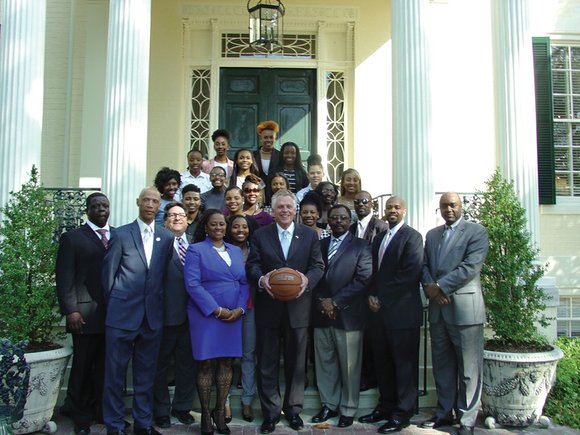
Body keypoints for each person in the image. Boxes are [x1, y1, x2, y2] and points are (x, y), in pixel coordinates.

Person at [247, 190, 325, 434]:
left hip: (298, 309)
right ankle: (270, 414)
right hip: (268, 309)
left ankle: (293, 411)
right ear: (272, 210)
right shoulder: (261, 235)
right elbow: (252, 265)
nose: (284, 211)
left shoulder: (309, 236)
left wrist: (306, 280)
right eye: (279, 207)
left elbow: (318, 266)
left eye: (288, 207)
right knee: (267, 363)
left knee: (297, 364)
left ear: (295, 210)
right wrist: (261, 280)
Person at [101, 187, 174, 435]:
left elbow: (161, 277)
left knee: (146, 375)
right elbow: (108, 277)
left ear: (159, 206)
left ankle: (143, 424)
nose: (150, 204)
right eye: (146, 200)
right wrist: (114, 307)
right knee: (115, 375)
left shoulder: (166, 238)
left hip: (151, 318)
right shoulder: (120, 235)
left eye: (155, 201)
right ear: (137, 202)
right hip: (121, 316)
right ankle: (114, 424)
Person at [420, 192, 489, 435]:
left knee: (469, 369)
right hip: (439, 309)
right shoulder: (432, 234)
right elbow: (425, 265)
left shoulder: (476, 232)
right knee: (442, 365)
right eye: (444, 206)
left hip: (465, 311)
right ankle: (443, 412)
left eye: (453, 205)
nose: (448, 209)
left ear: (461, 206)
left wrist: (439, 287)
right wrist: (432, 290)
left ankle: (467, 420)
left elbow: (470, 267)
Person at [360, 196, 423, 433]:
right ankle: (385, 407)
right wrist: (370, 295)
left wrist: (381, 298)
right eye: (389, 208)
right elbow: (373, 272)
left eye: (397, 207)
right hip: (378, 314)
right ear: (383, 211)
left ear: (404, 211)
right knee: (383, 363)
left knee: (403, 366)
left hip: (402, 314)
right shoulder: (379, 239)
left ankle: (403, 412)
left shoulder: (413, 237)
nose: (392, 211)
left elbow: (410, 274)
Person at [184, 209, 249, 435]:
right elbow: (192, 284)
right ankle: (204, 413)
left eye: (222, 224)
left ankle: (220, 411)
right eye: (214, 224)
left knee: (226, 363)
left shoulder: (234, 250)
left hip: (233, 316)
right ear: (206, 227)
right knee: (205, 363)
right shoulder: (196, 250)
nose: (219, 228)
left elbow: (243, 282)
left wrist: (240, 309)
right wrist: (216, 310)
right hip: (206, 316)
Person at [310, 204, 372, 428]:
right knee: (325, 363)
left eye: (343, 218)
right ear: (328, 221)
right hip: (321, 314)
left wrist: (335, 302)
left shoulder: (362, 246)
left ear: (349, 221)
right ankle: (329, 404)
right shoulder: (319, 245)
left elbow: (363, 279)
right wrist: (321, 302)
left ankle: (348, 408)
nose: (338, 221)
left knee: (349, 366)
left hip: (348, 315)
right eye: (334, 218)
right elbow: (313, 275)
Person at [56, 193, 110, 435]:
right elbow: (64, 277)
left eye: (104, 205)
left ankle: (101, 411)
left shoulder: (116, 236)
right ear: (87, 210)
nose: (101, 209)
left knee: (104, 368)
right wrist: (71, 311)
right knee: (82, 367)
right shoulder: (73, 238)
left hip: (111, 316)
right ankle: (80, 416)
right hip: (84, 315)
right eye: (95, 206)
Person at [153, 203, 196, 428]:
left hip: (193, 317)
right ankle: (160, 409)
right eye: (172, 215)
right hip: (164, 316)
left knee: (186, 365)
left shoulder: (197, 245)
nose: (177, 218)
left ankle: (182, 407)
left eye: (181, 215)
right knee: (161, 366)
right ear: (165, 220)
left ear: (188, 220)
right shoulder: (156, 244)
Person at [348, 190, 388, 392]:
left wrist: (376, 292)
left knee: (373, 338)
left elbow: (383, 262)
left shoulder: (381, 227)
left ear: (372, 203)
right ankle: (361, 375)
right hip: (355, 291)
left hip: (373, 291)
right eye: (357, 202)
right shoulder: (352, 227)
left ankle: (372, 377)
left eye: (364, 201)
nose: (360, 204)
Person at [225, 214, 256, 422]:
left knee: (248, 354)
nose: (240, 230)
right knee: (225, 357)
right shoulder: (222, 250)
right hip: (226, 309)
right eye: (236, 227)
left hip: (250, 308)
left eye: (244, 227)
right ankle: (224, 403)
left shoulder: (255, 250)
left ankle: (247, 401)